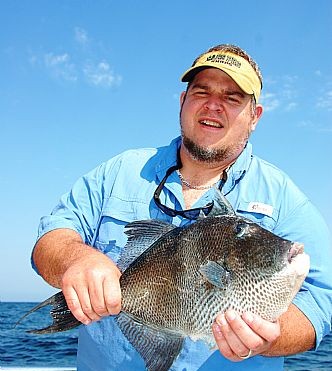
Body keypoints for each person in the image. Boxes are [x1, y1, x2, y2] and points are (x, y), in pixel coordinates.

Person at [32, 44, 332, 371]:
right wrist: (76, 258)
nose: (213, 105)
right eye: (201, 92)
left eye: (232, 98)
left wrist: (272, 337)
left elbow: (321, 300)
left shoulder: (285, 197)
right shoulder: (119, 171)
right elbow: (52, 236)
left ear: (254, 116)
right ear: (182, 102)